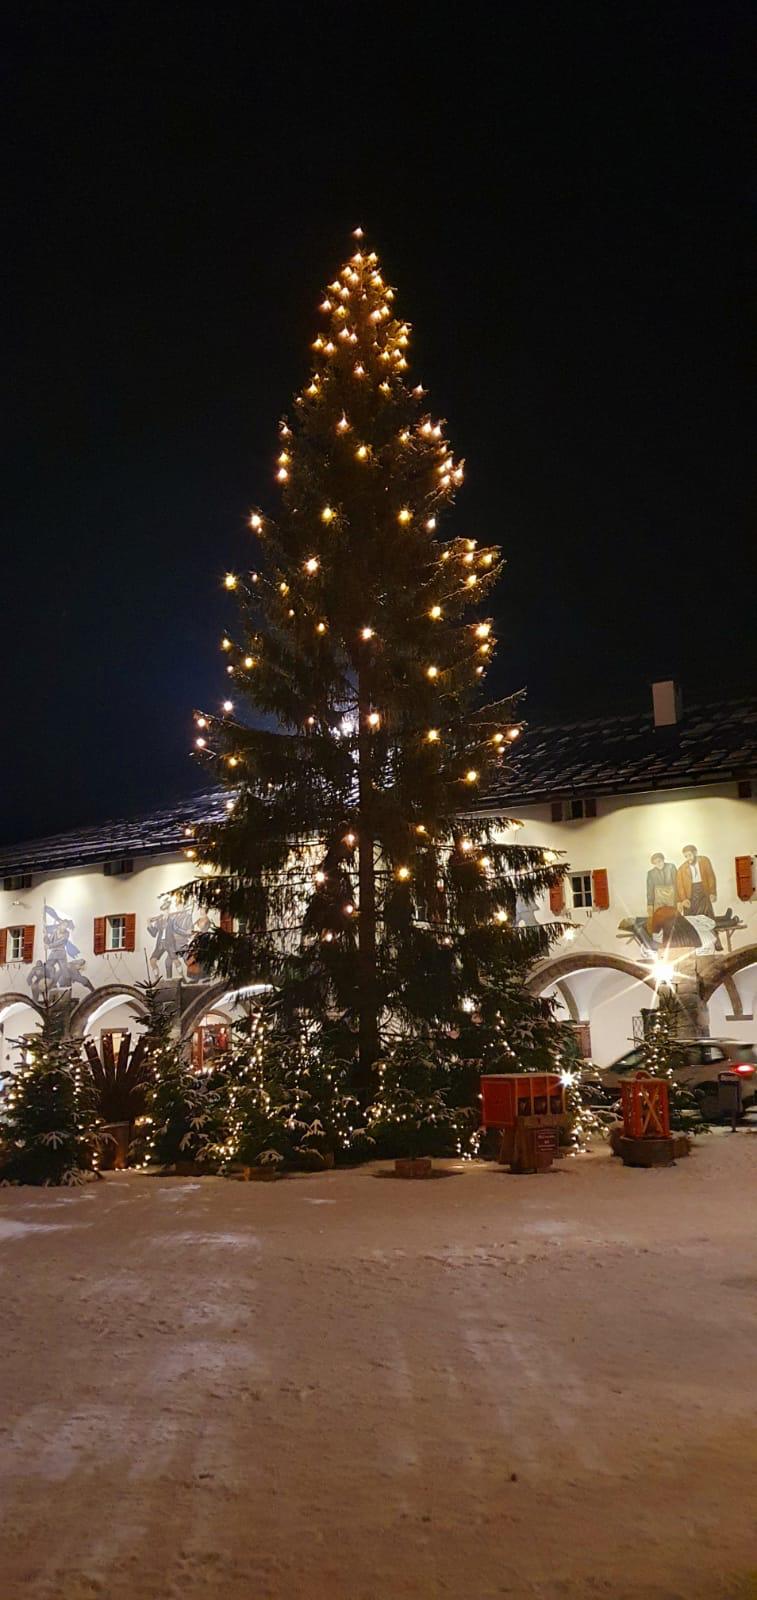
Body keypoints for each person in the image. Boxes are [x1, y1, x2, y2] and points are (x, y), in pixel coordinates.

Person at [646, 853, 677, 922]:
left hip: (671, 898)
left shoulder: (671, 867)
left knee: (672, 919)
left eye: (659, 861)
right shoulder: (651, 873)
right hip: (659, 899)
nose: (658, 864)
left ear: (663, 860)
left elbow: (677, 884)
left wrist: (678, 900)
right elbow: (650, 889)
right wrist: (650, 904)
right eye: (655, 863)